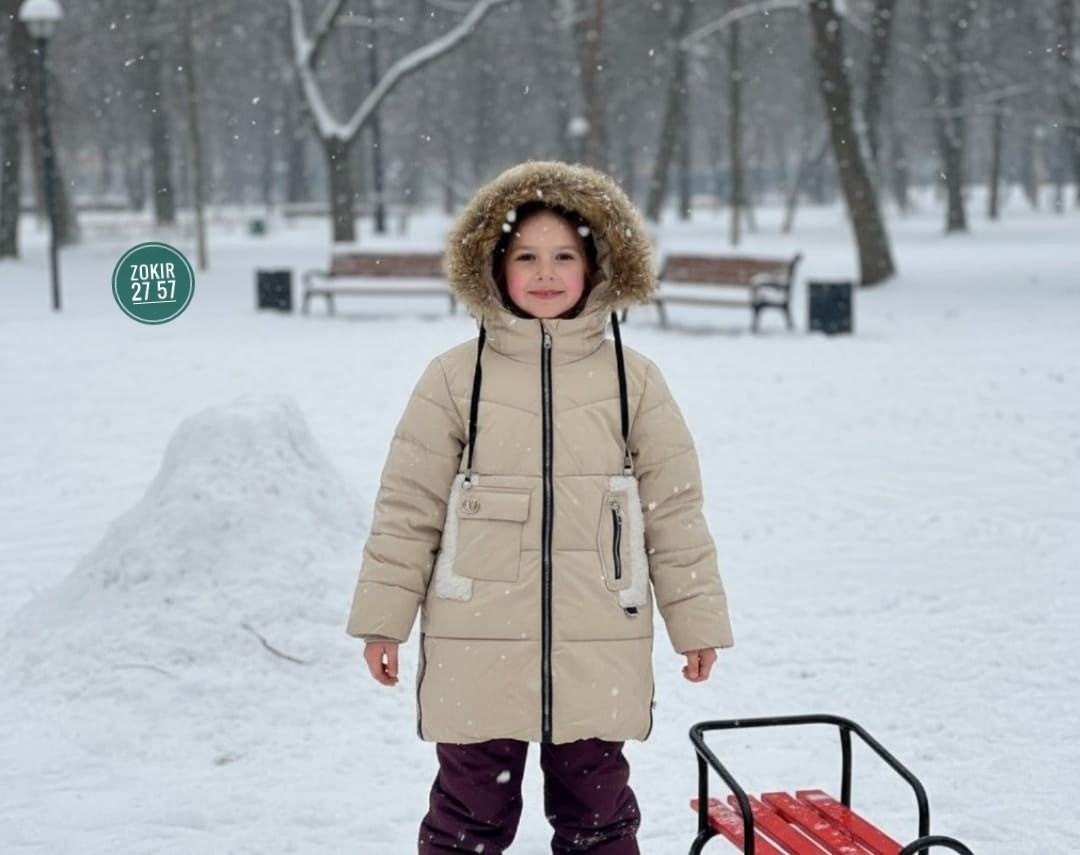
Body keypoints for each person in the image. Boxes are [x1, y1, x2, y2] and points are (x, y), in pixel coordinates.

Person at [346, 161, 733, 854]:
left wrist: (694, 620)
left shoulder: (633, 379)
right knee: (467, 814)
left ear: (597, 266)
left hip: (597, 637)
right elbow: (409, 507)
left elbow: (674, 509)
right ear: (494, 267)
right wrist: (384, 620)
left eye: (565, 256)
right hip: (477, 635)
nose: (546, 272)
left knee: (599, 814)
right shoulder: (454, 377)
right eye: (526, 256)